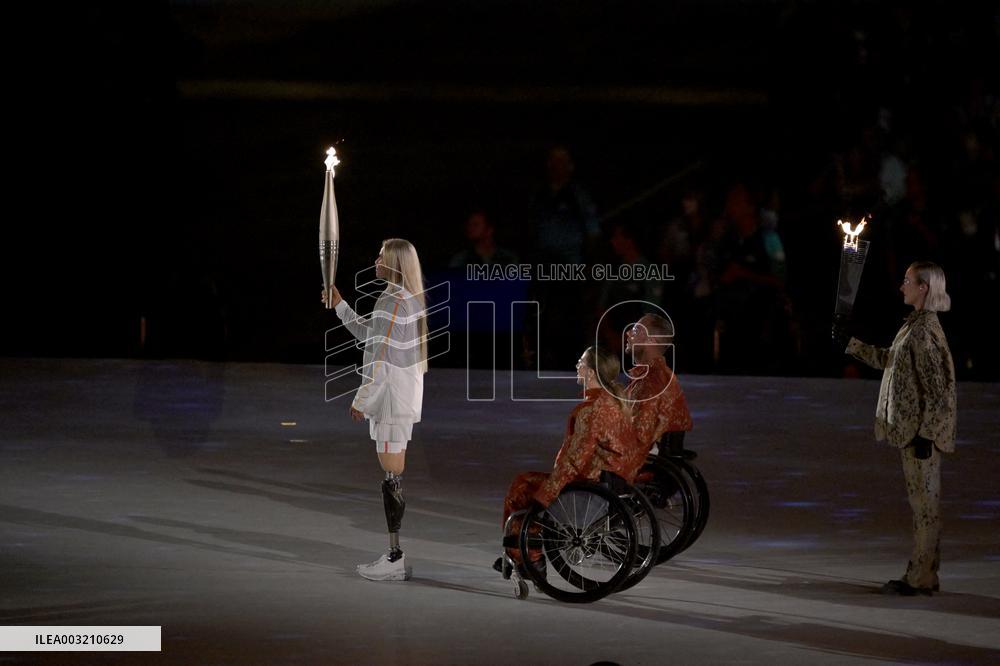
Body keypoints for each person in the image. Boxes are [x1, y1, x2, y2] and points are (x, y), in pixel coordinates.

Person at [835, 261, 957, 596]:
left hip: (919, 434)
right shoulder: (915, 326)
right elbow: (891, 360)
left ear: (924, 288)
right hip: (913, 430)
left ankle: (919, 577)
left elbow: (940, 390)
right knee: (924, 506)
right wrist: (851, 344)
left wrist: (926, 434)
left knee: (925, 507)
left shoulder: (924, 331)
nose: (901, 286)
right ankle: (925, 574)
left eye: (907, 281)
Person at [323, 238, 428, 581]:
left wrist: (362, 398)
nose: (376, 259)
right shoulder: (397, 299)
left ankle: (395, 559)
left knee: (391, 476)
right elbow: (371, 337)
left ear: (395, 263)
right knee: (391, 475)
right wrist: (341, 306)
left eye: (381, 255)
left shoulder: (398, 301)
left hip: (390, 399)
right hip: (393, 397)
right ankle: (394, 556)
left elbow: (381, 355)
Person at [497, 346, 644, 569]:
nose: (577, 366)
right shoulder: (616, 404)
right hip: (614, 488)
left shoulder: (590, 410)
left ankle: (527, 558)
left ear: (592, 373)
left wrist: (546, 495)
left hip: (589, 493)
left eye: (581, 362)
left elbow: (574, 460)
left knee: (522, 486)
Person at [624, 313, 693, 453]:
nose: (628, 333)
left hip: (641, 465)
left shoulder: (653, 381)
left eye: (637, 330)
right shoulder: (650, 377)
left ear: (651, 341)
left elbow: (639, 437)